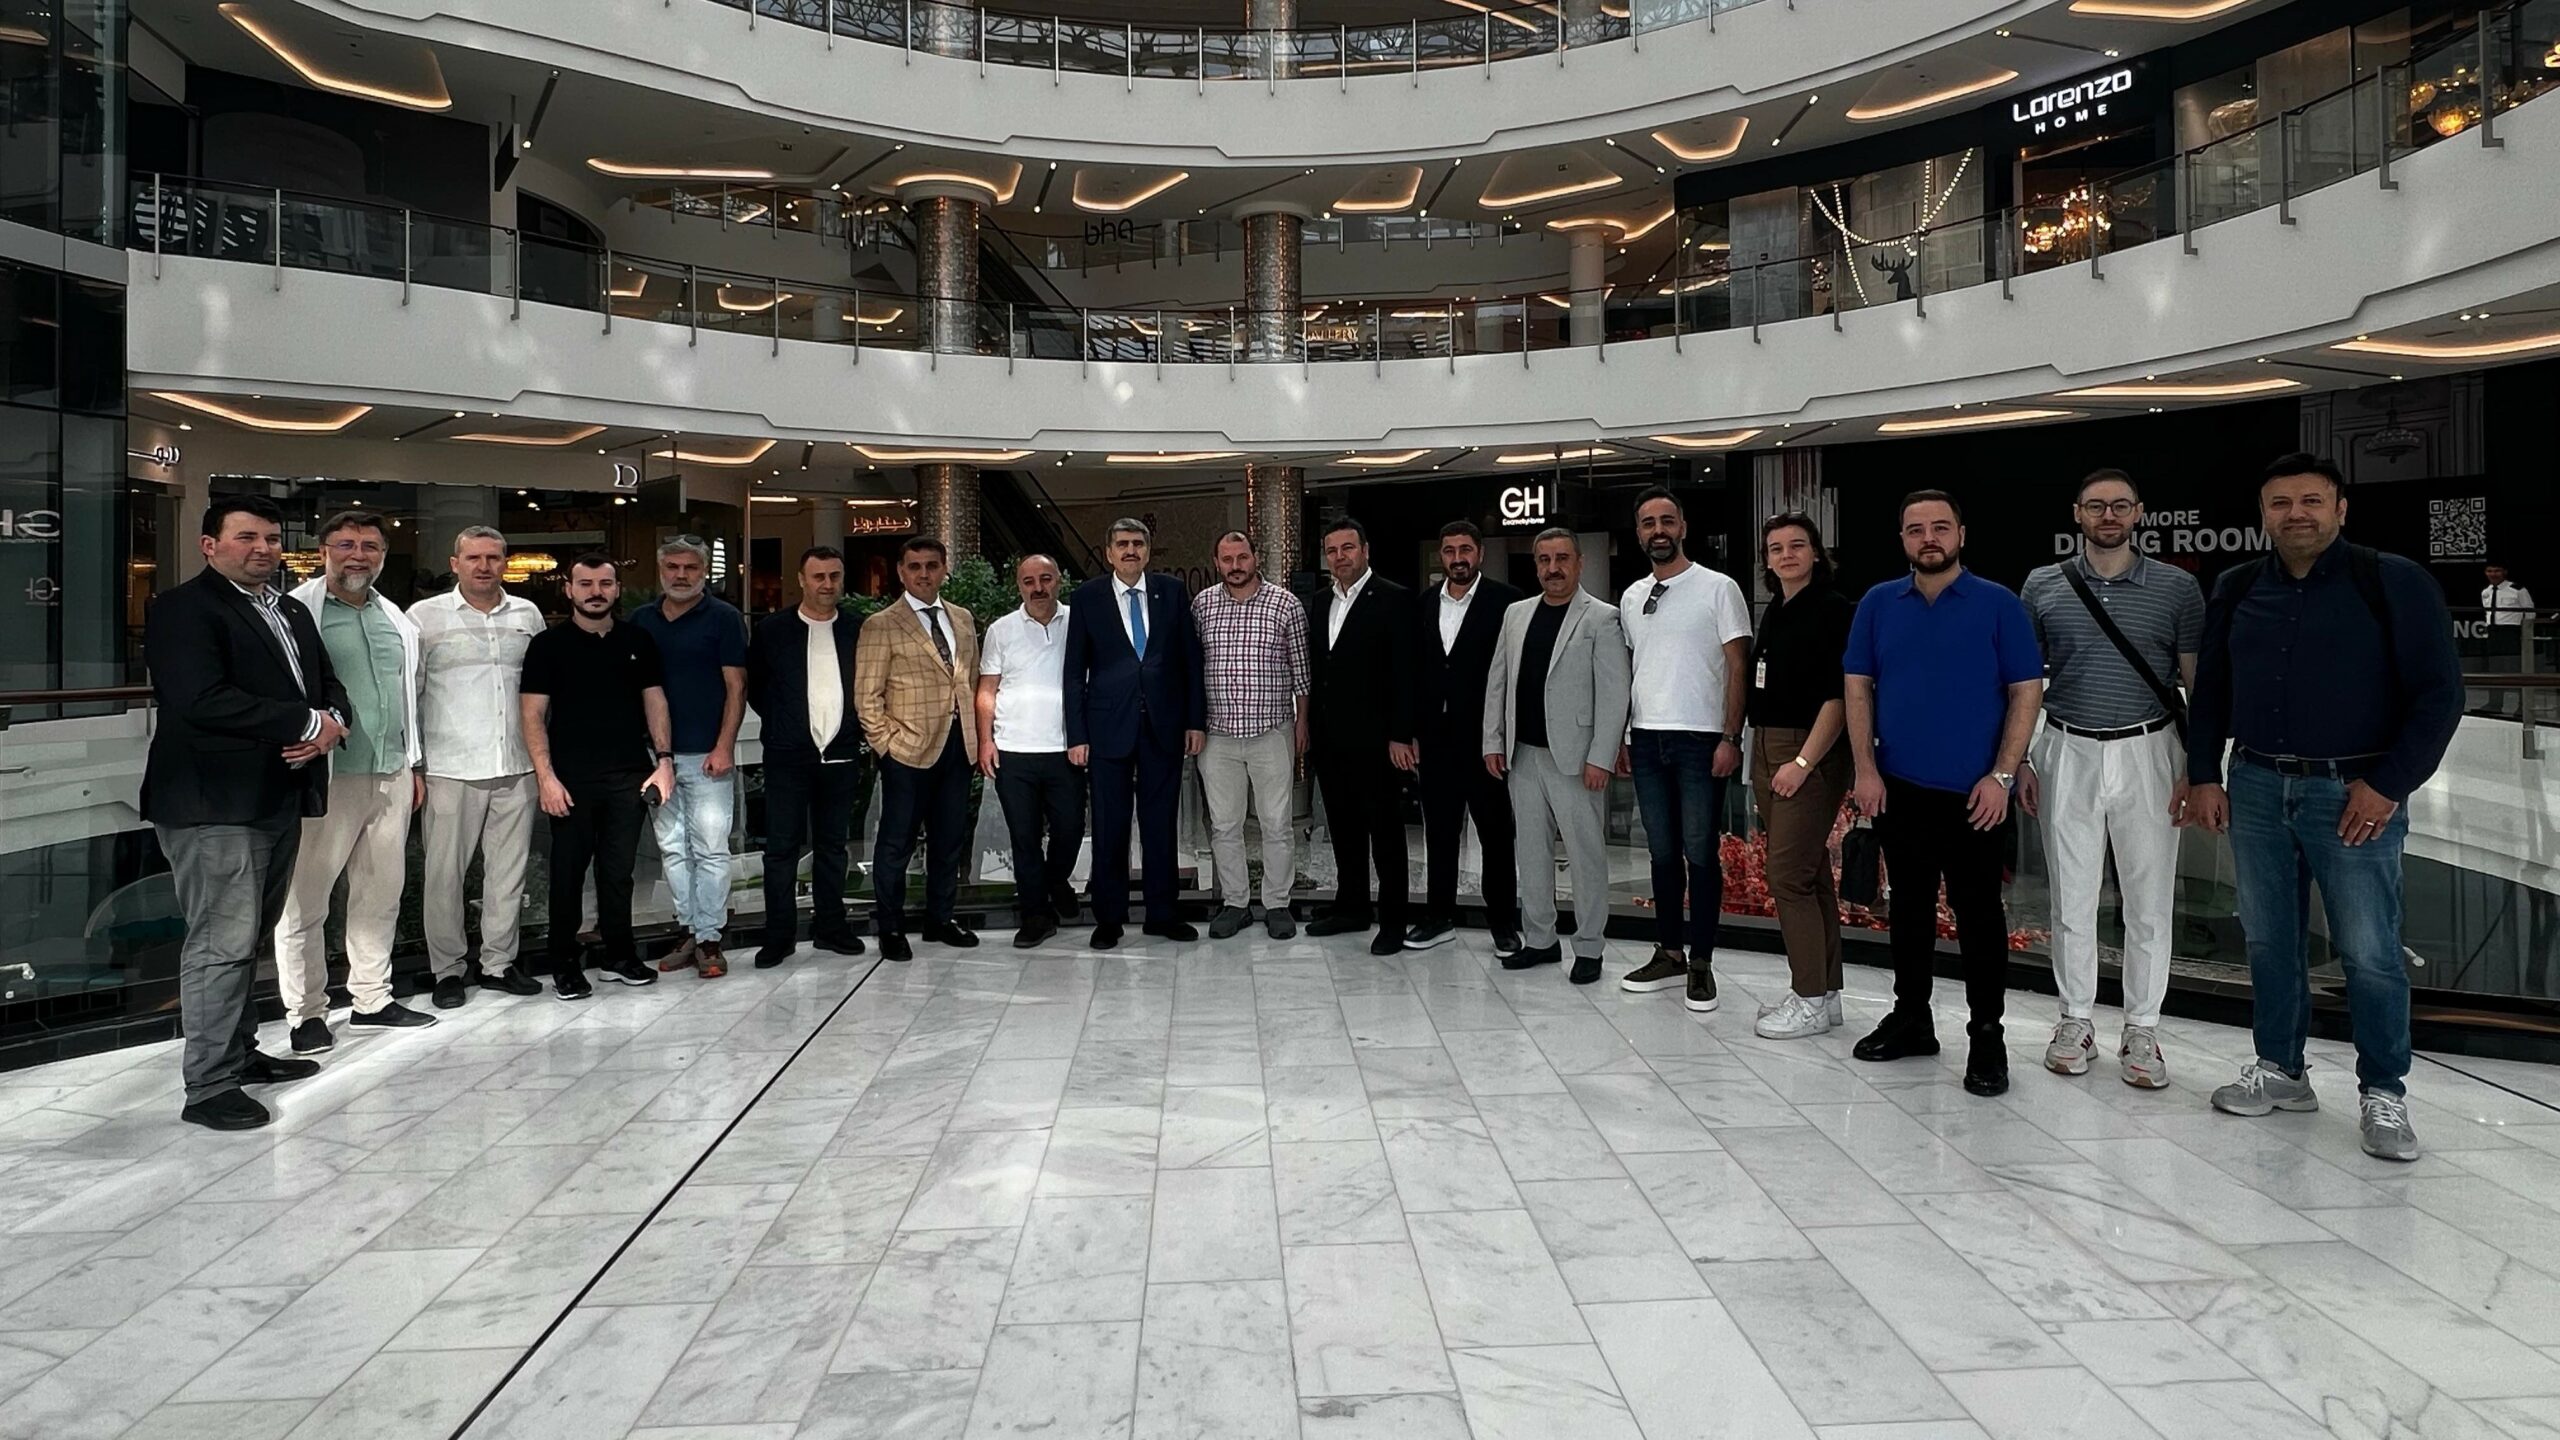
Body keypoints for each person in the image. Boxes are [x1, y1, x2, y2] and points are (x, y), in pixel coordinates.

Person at [2186, 454, 2463, 1162]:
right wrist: (2203, 775)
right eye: (2280, 503)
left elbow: (2439, 695)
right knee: (2268, 939)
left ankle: (2384, 1090)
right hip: (2255, 785)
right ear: (2263, 515)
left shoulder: (2391, 580)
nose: (2296, 514)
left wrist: (2389, 784)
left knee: (2369, 950)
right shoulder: (2238, 586)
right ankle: (2282, 1070)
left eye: (2311, 500)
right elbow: (2211, 689)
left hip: (2353, 793)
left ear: (2341, 509)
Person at [144, 496, 343, 1129]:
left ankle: (240, 1054)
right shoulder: (182, 608)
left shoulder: (288, 610)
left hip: (277, 795)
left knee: (249, 938)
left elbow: (326, 684)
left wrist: (332, 722)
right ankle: (208, 1087)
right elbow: (200, 698)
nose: (263, 548)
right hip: (213, 803)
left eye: (272, 538)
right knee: (220, 943)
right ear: (210, 545)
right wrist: (305, 722)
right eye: (246, 537)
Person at [1843, 490, 2043, 1097]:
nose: (1928, 538)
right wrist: (1865, 770)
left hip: (1976, 794)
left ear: (1961, 534)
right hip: (1899, 787)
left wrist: (2002, 775)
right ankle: (1912, 1019)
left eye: (1939, 527)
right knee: (1907, 910)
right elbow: (1857, 687)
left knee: (1979, 915)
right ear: (1902, 539)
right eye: (1915, 529)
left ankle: (1987, 1034)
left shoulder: (1998, 604)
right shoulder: (1878, 603)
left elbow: (2026, 691)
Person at [2017, 470, 2204, 1087]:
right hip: (2066, 747)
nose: (2108, 516)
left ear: (2138, 512)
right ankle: (2074, 1019)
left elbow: (2196, 683)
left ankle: (2142, 1028)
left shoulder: (2177, 588)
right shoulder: (2043, 584)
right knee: (2071, 897)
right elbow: (2024, 682)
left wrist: (2200, 770)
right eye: (2096, 506)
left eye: (2120, 506)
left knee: (2149, 900)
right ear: (2077, 513)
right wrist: (2020, 759)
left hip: (2150, 751)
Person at [274, 509, 434, 1051]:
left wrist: (413, 765)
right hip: (326, 777)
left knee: (380, 894)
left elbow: (409, 695)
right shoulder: (297, 612)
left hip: (391, 773)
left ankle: (372, 999)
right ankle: (306, 1013)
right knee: (306, 902)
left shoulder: (395, 618)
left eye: (370, 546)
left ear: (383, 556)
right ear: (324, 551)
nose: (358, 555)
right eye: (346, 545)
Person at [1615, 486, 1755, 1012]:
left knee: (1700, 854)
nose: (1659, 530)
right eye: (1648, 522)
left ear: (1683, 527)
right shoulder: (1632, 597)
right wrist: (1624, 736)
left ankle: (1701, 961)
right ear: (1638, 533)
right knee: (1661, 853)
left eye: (1667, 520)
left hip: (1701, 740)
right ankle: (1669, 952)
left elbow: (1738, 667)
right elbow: (1632, 669)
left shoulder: (1719, 588)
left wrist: (1730, 736)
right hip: (1646, 739)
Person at [520, 552, 678, 999]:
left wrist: (664, 760)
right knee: (568, 874)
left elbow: (655, 700)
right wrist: (546, 778)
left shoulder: (637, 639)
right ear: (568, 589)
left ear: (617, 590)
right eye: (586, 584)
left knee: (619, 873)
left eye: (605, 584)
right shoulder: (547, 646)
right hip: (570, 780)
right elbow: (532, 714)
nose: (596, 592)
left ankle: (619, 956)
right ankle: (565, 964)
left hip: (629, 776)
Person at [1483, 529, 1630, 985]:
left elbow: (1615, 694)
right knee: (1531, 853)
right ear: (1536, 565)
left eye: (1562, 558)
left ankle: (1589, 946)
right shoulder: (1516, 614)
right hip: (1523, 755)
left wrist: (1602, 756)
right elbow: (1498, 681)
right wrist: (1492, 741)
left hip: (1577, 760)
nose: (1553, 568)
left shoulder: (1602, 617)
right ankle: (1541, 940)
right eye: (1544, 559)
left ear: (1579, 563)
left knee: (1586, 857)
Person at [411, 526, 548, 1007]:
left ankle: (498, 964)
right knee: (444, 877)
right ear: (455, 564)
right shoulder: (423, 617)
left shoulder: (528, 614)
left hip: (517, 765)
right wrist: (415, 765)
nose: (484, 566)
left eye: (493, 557)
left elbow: (542, 688)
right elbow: (410, 693)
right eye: (473, 558)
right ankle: (447, 970)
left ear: (505, 563)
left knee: (508, 874)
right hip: (449, 767)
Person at [1061, 518, 1205, 948]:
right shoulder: (1087, 597)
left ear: (1148, 550)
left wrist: (1194, 721)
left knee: (1161, 823)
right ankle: (1109, 918)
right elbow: (1074, 671)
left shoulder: (1171, 591)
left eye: (1138, 543)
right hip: (1107, 728)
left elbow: (1190, 661)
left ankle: (1163, 914)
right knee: (1110, 825)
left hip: (1164, 726)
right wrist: (1076, 735)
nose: (1130, 550)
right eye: (1122, 543)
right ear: (1108, 552)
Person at [1745, 513, 1857, 1040]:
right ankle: (1825, 993)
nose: (1786, 555)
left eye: (1796, 545)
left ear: (1816, 552)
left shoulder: (1833, 610)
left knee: (1787, 876)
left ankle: (1808, 997)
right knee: (1809, 875)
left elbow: (1840, 697)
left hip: (1807, 751)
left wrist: (1803, 763)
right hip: (1768, 746)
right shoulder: (1777, 609)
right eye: (1776, 548)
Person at [857, 536, 982, 961]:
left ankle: (940, 919)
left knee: (949, 841)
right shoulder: (881, 624)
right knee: (896, 844)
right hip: (906, 752)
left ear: (944, 569)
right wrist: (887, 745)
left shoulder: (962, 618)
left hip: (958, 748)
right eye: (915, 566)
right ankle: (891, 927)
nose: (924, 574)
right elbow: (867, 696)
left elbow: (969, 679)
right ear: (901, 571)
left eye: (931, 566)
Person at [746, 546, 870, 970]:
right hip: (788, 756)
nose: (827, 584)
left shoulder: (857, 628)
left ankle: (831, 927)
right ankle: (779, 936)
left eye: (834, 576)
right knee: (781, 849)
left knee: (833, 847)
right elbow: (757, 687)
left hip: (841, 753)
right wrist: (785, 725)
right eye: (818, 576)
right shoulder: (773, 630)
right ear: (801, 580)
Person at [629, 536, 748, 978]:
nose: (681, 575)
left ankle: (711, 938)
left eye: (691, 568)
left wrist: (725, 745)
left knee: (712, 849)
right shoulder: (641, 620)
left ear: (704, 572)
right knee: (672, 849)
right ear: (661, 570)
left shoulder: (724, 618)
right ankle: (689, 931)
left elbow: (737, 687)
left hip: (706, 755)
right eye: (673, 567)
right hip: (655, 757)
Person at [1306, 517, 1420, 958]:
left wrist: (1401, 735)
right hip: (1330, 739)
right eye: (1332, 551)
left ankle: (1392, 921)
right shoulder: (1320, 601)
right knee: (1343, 828)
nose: (1340, 557)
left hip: (1378, 742)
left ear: (1365, 550)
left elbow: (1406, 672)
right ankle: (1351, 907)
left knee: (1386, 833)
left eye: (1348, 548)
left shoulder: (1394, 598)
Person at [1410, 521, 1522, 955]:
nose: (1458, 558)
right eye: (1450, 550)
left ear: (1480, 554)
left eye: (1465, 550)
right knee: (1439, 833)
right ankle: (1439, 918)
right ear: (1441, 555)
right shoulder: (1423, 603)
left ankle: (1503, 923)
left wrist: (1504, 737)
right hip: (1435, 741)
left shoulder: (1508, 603)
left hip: (1486, 742)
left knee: (1496, 835)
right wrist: (1410, 732)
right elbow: (1415, 672)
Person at [1192, 530, 1309, 942]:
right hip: (1218, 735)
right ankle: (1236, 903)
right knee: (1225, 825)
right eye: (1227, 559)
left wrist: (1302, 724)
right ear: (1216, 562)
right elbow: (1192, 667)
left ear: (1255, 557)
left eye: (1242, 557)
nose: (1235, 566)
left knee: (1277, 823)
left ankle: (1277, 903)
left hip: (1271, 731)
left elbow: (1302, 673)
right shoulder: (1202, 605)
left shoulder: (1285, 604)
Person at [979, 554, 1085, 948]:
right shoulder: (1001, 630)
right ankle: (1036, 916)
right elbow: (986, 690)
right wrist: (986, 740)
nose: (1038, 588)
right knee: (1024, 838)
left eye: (1045, 579)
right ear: (1019, 586)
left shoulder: (1079, 622)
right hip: (1014, 750)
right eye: (1029, 581)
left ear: (1059, 580)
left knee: (1070, 830)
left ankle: (1055, 880)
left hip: (1066, 749)